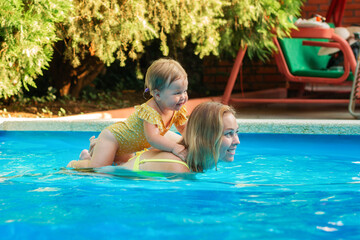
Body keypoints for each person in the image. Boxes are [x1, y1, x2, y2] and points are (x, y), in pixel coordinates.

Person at [69, 58, 189, 168]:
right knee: (99, 169)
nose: (183, 96)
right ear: (157, 95)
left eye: (185, 91)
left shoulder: (176, 110)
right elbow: (153, 138)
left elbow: (185, 129)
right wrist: (174, 147)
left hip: (128, 148)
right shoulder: (150, 112)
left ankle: (90, 156)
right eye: (177, 93)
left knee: (123, 168)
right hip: (113, 139)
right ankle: (75, 164)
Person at [68, 101, 240, 173]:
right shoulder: (179, 170)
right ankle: (81, 162)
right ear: (206, 138)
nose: (237, 141)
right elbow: (112, 175)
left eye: (236, 132)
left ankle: (97, 151)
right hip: (115, 171)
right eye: (228, 134)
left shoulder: (180, 144)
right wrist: (81, 168)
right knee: (98, 172)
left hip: (133, 155)